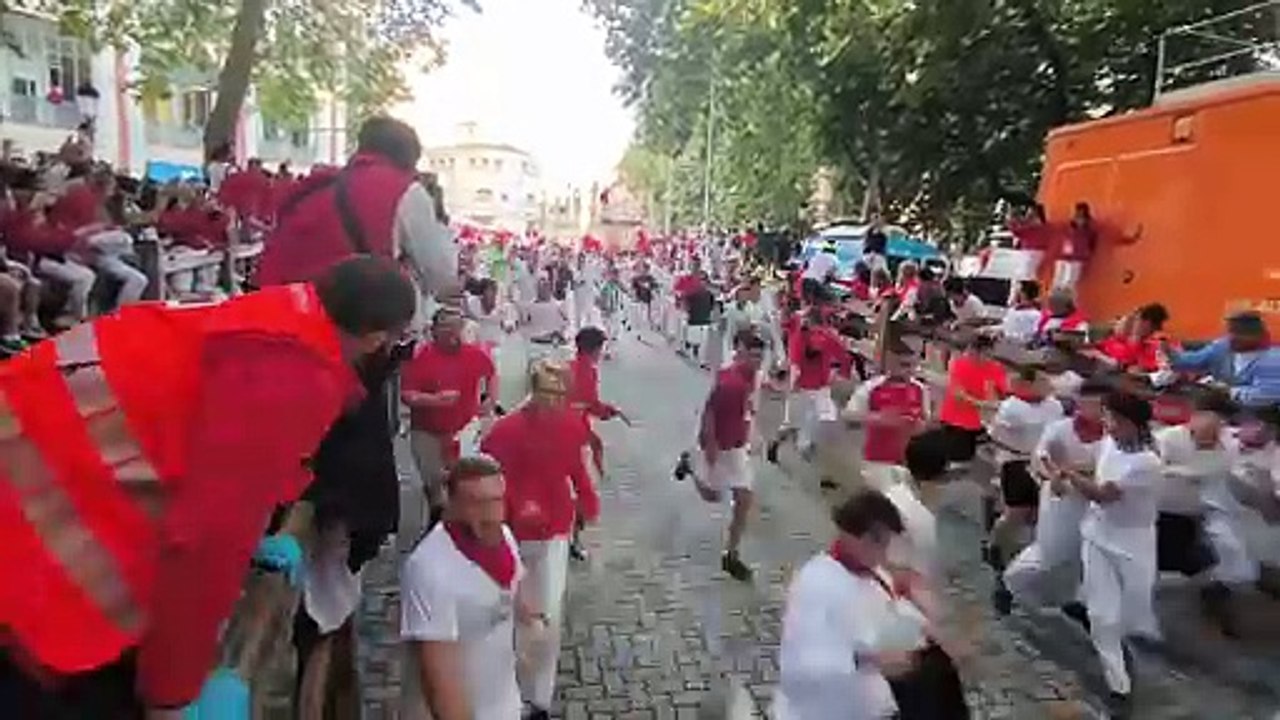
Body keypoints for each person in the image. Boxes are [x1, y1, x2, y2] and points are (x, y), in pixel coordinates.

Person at [0, 256, 417, 719]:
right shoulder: (291, 373)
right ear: (377, 338)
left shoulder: (275, 317)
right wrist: (170, 692)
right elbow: (208, 539)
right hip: (29, 546)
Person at [479, 361, 597, 720]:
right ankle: (507, 688)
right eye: (548, 393)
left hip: (554, 530)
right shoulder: (505, 431)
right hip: (511, 533)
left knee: (548, 613)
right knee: (508, 610)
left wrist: (587, 498)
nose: (554, 401)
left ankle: (539, 698)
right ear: (533, 391)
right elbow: (489, 480)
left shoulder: (571, 425)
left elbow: (576, 467)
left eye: (561, 394)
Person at [255, 116, 459, 305]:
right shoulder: (404, 190)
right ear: (409, 158)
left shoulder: (318, 186)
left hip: (279, 306)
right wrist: (438, 213)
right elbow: (442, 277)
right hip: (344, 316)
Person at [400, 456, 529, 720]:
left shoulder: (503, 537)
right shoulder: (430, 568)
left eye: (497, 500)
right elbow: (440, 682)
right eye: (477, 503)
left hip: (505, 707)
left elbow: (514, 590)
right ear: (451, 503)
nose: (492, 514)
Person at [1065, 391, 1163, 720]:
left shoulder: (1147, 461)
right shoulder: (1110, 443)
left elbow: (1102, 494)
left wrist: (1067, 473)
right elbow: (1096, 468)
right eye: (1107, 417)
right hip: (1098, 536)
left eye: (1115, 420)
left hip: (1134, 542)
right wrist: (1074, 468)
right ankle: (1118, 684)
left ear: (1135, 424)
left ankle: (1119, 643)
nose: (1108, 425)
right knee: (1103, 616)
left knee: (1134, 614)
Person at [774, 490, 913, 720]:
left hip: (871, 704)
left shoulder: (873, 574)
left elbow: (886, 613)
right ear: (865, 539)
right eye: (884, 544)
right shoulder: (815, 583)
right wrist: (871, 660)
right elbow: (802, 662)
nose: (887, 554)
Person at [1004, 380, 1108, 625]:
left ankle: (1081, 603)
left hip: (1094, 499)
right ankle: (1011, 585)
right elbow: (1041, 457)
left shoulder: (1111, 435)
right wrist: (1054, 475)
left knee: (1091, 554)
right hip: (1062, 499)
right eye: (1092, 404)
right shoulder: (1060, 429)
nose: (1097, 411)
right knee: (1051, 551)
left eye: (1103, 406)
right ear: (1080, 404)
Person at [1153, 392, 1254, 638]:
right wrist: (1180, 472)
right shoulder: (1167, 439)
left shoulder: (1230, 445)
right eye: (1209, 421)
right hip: (1164, 513)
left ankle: (1217, 599)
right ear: (1195, 416)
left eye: (1220, 424)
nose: (1213, 430)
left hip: (1204, 513)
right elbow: (1151, 469)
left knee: (1230, 557)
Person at [402, 308, 498, 522]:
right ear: (434, 331)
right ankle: (436, 521)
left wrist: (490, 399)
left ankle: (458, 524)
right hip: (427, 431)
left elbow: (491, 373)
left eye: (457, 326)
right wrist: (434, 400)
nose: (453, 332)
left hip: (462, 432)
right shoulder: (420, 357)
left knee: (462, 485)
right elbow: (407, 395)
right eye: (447, 327)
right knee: (434, 485)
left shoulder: (473, 354)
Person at [986, 366, 1066, 614]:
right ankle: (995, 543)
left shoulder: (1054, 406)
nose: (1048, 385)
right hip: (1017, 461)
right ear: (1027, 384)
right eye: (1042, 381)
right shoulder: (1011, 407)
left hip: (1043, 464)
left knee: (1040, 513)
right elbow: (996, 436)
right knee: (1016, 513)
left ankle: (1029, 562)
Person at [695, 329, 768, 582]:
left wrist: (752, 434)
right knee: (711, 496)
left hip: (737, 449)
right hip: (720, 446)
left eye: (760, 357)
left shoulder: (753, 377)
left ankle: (731, 554)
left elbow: (750, 407)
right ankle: (690, 464)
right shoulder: (730, 383)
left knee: (744, 500)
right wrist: (709, 443)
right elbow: (709, 412)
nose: (757, 362)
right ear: (740, 354)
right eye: (752, 356)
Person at [567, 326, 629, 560]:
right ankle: (574, 538)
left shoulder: (567, 367)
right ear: (594, 349)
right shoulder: (588, 371)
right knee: (583, 487)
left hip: (567, 428)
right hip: (577, 433)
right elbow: (591, 405)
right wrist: (611, 411)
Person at [842, 343, 930, 491]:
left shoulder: (920, 389)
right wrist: (878, 419)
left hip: (908, 463)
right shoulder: (872, 387)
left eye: (913, 366)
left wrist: (921, 427)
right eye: (904, 365)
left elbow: (926, 420)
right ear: (891, 363)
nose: (909, 371)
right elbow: (848, 416)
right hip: (878, 461)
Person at [1169, 311, 1280, 409]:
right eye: (1231, 332)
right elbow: (1193, 361)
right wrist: (1169, 353)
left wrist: (1228, 391)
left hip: (1263, 416)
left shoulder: (1273, 360)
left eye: (1240, 333)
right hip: (1224, 409)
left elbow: (1264, 397)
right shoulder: (1223, 347)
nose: (1231, 338)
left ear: (1258, 336)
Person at [787, 307, 847, 461]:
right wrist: (839, 375)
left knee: (801, 417)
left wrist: (794, 382)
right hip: (820, 384)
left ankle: (793, 440)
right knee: (819, 416)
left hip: (804, 384)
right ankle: (807, 443)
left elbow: (795, 362)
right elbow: (844, 357)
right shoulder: (828, 336)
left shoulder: (800, 335)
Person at [938, 334, 1007, 465]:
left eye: (989, 354)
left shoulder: (996, 368)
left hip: (981, 421)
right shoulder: (959, 364)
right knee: (957, 458)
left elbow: (1003, 391)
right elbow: (958, 393)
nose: (986, 358)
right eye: (983, 354)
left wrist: (998, 405)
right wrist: (982, 404)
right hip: (957, 420)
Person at [1000, 279, 1044, 344]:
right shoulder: (1036, 314)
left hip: (1013, 344)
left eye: (1017, 290)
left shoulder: (1033, 314)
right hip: (1013, 343)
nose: (1015, 293)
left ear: (1023, 294)